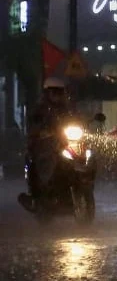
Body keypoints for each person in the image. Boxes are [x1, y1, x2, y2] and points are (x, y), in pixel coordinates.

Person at [18, 77, 75, 213]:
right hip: (44, 145)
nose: (57, 95)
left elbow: (77, 120)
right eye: (54, 92)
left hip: (64, 143)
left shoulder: (67, 109)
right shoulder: (40, 109)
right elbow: (33, 123)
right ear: (47, 93)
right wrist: (41, 131)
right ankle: (36, 197)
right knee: (36, 161)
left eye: (60, 92)